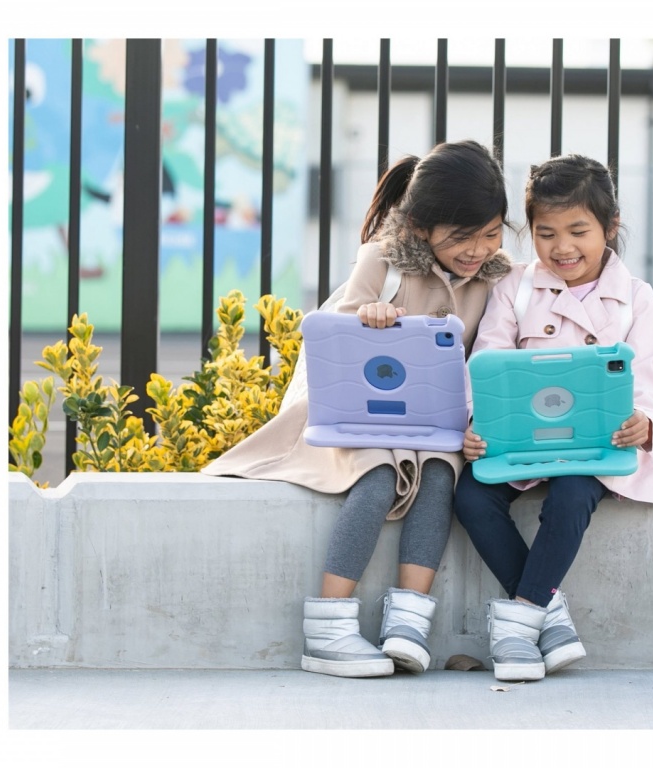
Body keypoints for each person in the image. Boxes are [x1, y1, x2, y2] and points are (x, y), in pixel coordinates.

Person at [202, 139, 514, 678]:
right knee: (377, 477)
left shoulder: (493, 279)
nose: (478, 249)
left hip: (429, 420)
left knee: (440, 477)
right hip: (355, 413)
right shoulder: (383, 261)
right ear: (420, 226)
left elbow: (484, 358)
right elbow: (336, 350)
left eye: (491, 233)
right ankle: (328, 630)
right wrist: (371, 319)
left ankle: (408, 624)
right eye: (462, 236)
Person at [454, 153, 653, 682]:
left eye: (578, 231)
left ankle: (519, 623)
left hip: (596, 444)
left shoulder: (636, 299)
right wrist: (476, 423)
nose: (562, 247)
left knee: (573, 494)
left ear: (610, 226)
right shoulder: (516, 287)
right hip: (521, 442)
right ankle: (548, 620)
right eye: (545, 233)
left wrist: (643, 421)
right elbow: (485, 362)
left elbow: (650, 377)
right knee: (472, 496)